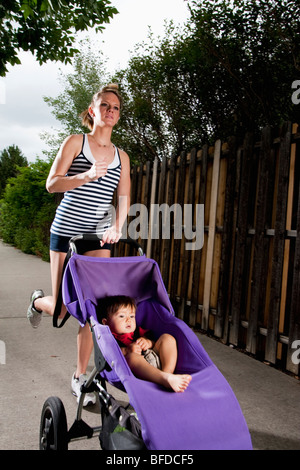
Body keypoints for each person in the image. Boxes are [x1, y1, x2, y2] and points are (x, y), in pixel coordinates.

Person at [27, 84, 131, 406]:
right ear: (92, 110)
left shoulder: (121, 156)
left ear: (118, 115)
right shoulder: (76, 143)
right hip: (66, 231)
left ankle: (79, 376)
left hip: (97, 237)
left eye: (115, 108)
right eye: (104, 105)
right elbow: (51, 183)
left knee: (92, 311)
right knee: (60, 309)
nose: (110, 111)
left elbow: (124, 197)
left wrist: (117, 226)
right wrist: (84, 176)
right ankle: (37, 302)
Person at [97, 296, 192, 393]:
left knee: (167, 338)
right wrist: (127, 350)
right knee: (132, 358)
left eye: (132, 316)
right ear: (106, 322)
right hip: (138, 371)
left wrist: (149, 342)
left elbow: (154, 343)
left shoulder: (139, 331)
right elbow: (109, 356)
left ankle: (167, 373)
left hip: (156, 361)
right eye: (122, 316)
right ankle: (164, 379)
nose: (128, 320)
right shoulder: (110, 338)